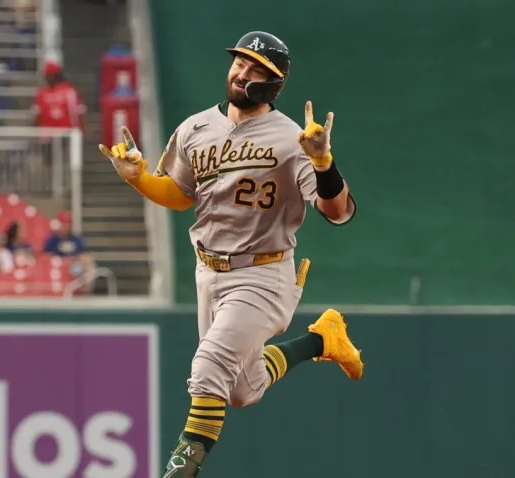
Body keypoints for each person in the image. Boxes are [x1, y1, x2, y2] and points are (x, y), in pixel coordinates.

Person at [98, 31, 363, 478]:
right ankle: (323, 339)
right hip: (210, 272)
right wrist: (139, 179)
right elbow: (181, 194)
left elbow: (338, 212)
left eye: (257, 69)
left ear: (275, 84)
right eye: (240, 62)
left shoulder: (290, 139)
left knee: (207, 368)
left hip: (263, 274)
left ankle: (179, 472)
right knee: (241, 389)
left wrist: (322, 162)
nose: (243, 72)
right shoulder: (195, 127)